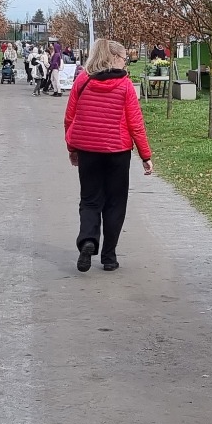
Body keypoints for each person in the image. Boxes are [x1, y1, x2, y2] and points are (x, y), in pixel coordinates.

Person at [64, 38, 154, 273]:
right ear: (114, 58)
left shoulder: (82, 81)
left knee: (90, 200)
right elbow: (136, 124)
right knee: (115, 203)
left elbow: (70, 118)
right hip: (117, 152)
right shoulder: (125, 85)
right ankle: (109, 257)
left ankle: (88, 240)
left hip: (88, 151)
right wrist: (145, 156)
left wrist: (72, 149)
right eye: (124, 58)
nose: (125, 63)